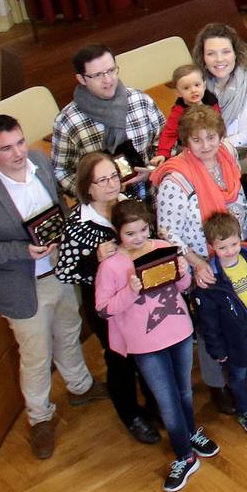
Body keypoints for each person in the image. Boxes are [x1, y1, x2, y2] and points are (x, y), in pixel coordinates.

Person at [0, 116, 98, 459]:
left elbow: (57, 209)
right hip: (22, 285)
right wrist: (22, 251)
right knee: (36, 357)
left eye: (20, 142)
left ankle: (80, 387)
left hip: (58, 272)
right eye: (6, 148)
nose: (19, 152)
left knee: (69, 331)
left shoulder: (39, 161)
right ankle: (40, 419)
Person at [93, 200, 216, 492]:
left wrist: (184, 271)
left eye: (143, 230)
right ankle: (185, 456)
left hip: (180, 331)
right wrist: (129, 292)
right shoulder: (110, 267)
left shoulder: (162, 247)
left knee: (184, 390)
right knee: (167, 400)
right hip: (144, 344)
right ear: (117, 233)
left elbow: (182, 288)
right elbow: (103, 309)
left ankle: (189, 433)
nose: (138, 238)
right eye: (130, 233)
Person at [56, 152, 160, 444]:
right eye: (102, 180)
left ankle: (156, 405)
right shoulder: (78, 223)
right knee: (120, 361)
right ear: (87, 187)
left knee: (147, 352)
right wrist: (93, 260)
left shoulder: (127, 206)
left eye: (114, 176)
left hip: (141, 297)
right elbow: (65, 271)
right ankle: (131, 415)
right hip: (107, 305)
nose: (111, 184)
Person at [190, 212, 247, 437]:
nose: (230, 250)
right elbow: (208, 321)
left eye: (234, 244)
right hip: (234, 337)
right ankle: (245, 409)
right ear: (212, 246)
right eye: (223, 248)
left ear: (240, 237)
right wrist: (217, 349)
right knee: (238, 375)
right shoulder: (211, 279)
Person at [50, 44, 165, 193]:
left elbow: (165, 140)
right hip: (105, 204)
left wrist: (153, 170)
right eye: (97, 75)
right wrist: (94, 193)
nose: (108, 80)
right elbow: (60, 170)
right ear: (81, 79)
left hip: (153, 188)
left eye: (111, 70)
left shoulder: (140, 100)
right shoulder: (68, 122)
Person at [151, 105, 247, 273]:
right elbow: (167, 232)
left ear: (220, 135)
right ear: (186, 141)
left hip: (236, 251)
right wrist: (198, 263)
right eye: (196, 140)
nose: (206, 146)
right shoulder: (175, 179)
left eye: (211, 137)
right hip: (205, 265)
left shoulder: (228, 153)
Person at [192, 23, 247, 151]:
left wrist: (212, 148)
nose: (219, 59)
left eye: (226, 52)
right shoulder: (197, 87)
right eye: (211, 54)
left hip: (245, 156)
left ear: (236, 54)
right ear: (203, 58)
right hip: (204, 154)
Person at [155, 63, 219, 160]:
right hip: (189, 148)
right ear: (178, 92)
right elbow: (169, 133)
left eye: (197, 85)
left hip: (212, 143)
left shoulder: (211, 101)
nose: (193, 90)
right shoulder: (179, 111)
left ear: (204, 86)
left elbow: (219, 124)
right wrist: (162, 153)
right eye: (186, 88)